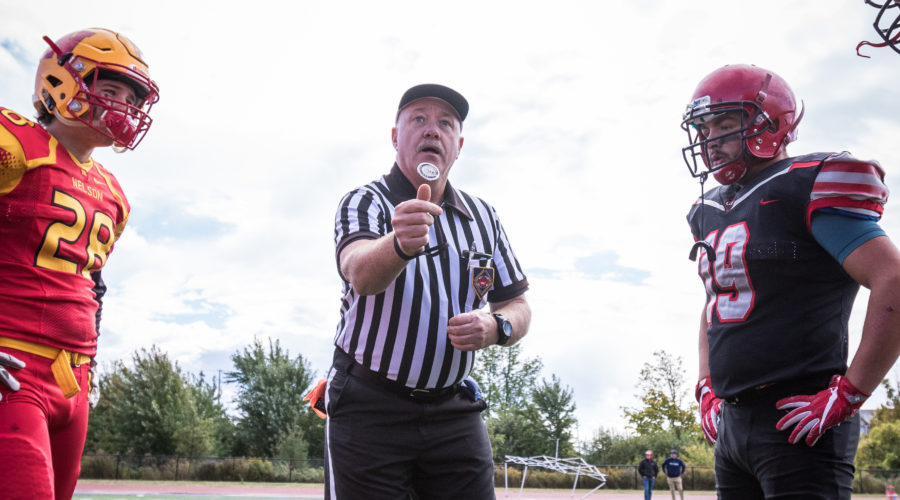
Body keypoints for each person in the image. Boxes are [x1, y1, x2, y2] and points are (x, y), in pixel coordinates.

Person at [682, 64, 900, 499]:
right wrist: (706, 384)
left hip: (797, 415)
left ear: (770, 123)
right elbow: (715, 303)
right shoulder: (706, 209)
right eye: (704, 130)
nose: (711, 142)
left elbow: (892, 278)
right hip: (732, 423)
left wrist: (851, 393)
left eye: (725, 126)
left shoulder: (807, 183)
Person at [324, 83, 531, 499]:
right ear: (396, 136)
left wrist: (496, 327)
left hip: (453, 410)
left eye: (445, 123)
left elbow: (516, 303)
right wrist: (398, 243)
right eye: (418, 119)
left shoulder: (483, 216)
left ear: (459, 144)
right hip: (370, 405)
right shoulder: (365, 202)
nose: (432, 130)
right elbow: (359, 273)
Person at [0, 28, 159, 499]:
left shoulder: (114, 195)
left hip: (73, 379)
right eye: (109, 90)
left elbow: (92, 285)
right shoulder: (13, 144)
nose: (122, 106)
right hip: (14, 365)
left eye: (132, 96)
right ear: (60, 82)